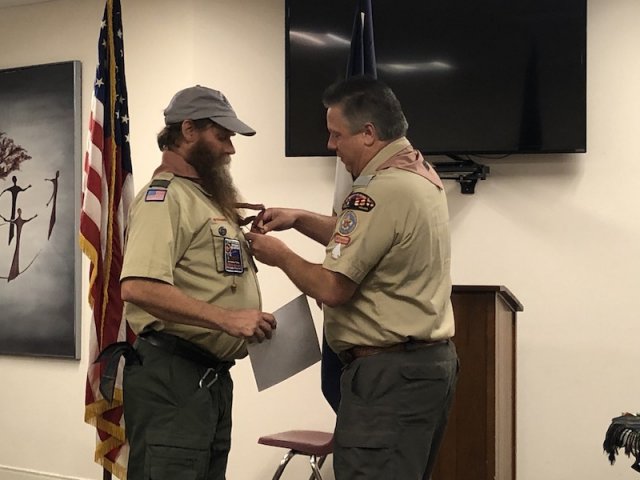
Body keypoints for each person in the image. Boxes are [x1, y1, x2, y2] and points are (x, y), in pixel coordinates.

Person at [246, 76, 458, 480]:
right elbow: (369, 239)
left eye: (335, 135)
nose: (331, 146)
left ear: (368, 134)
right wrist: (300, 219)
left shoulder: (381, 191)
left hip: (388, 379)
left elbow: (332, 287)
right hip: (423, 368)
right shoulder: (419, 175)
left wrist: (281, 256)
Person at [119, 85, 276, 480]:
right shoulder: (163, 197)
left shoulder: (201, 198)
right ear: (188, 130)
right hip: (173, 377)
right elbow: (137, 286)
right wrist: (226, 319)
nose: (230, 149)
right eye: (222, 136)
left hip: (208, 379)